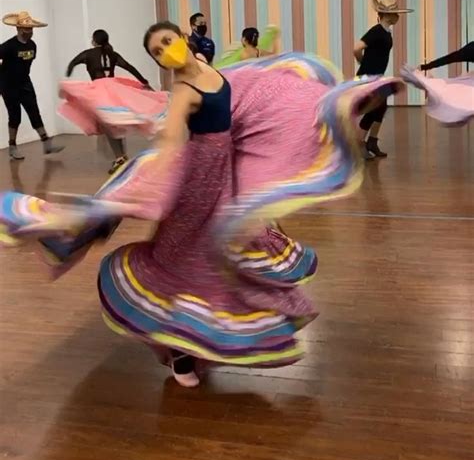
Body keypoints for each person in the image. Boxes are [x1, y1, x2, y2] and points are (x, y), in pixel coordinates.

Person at [0, 29, 404, 391]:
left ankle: (203, 341)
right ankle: (179, 353)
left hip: (223, 173)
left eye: (166, 42)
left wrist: (340, 96)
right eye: (157, 51)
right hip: (193, 183)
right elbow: (176, 136)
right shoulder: (182, 90)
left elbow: (251, 88)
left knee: (230, 255)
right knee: (184, 261)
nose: (164, 52)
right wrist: (160, 157)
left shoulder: (212, 71)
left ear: (184, 41)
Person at [64, 29, 159, 175]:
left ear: (94, 40)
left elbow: (73, 62)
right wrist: (144, 82)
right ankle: (120, 157)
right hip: (113, 89)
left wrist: (69, 72)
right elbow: (129, 67)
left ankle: (120, 157)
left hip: (100, 90)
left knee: (109, 124)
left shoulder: (88, 54)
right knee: (112, 122)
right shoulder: (112, 54)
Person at [354, 0, 413, 159]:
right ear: (387, 15)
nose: (398, 16)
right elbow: (356, 47)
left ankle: (372, 141)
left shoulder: (386, 32)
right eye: (396, 13)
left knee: (381, 108)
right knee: (373, 110)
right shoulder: (377, 31)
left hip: (377, 77)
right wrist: (362, 62)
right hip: (368, 78)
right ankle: (359, 145)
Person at [0, 11, 64, 160]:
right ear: (19, 29)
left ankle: (46, 143)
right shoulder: (8, 46)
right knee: (15, 116)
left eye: (31, 29)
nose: (30, 32)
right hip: (9, 86)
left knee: (34, 112)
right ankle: (12, 146)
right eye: (27, 29)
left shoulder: (32, 45)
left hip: (25, 83)